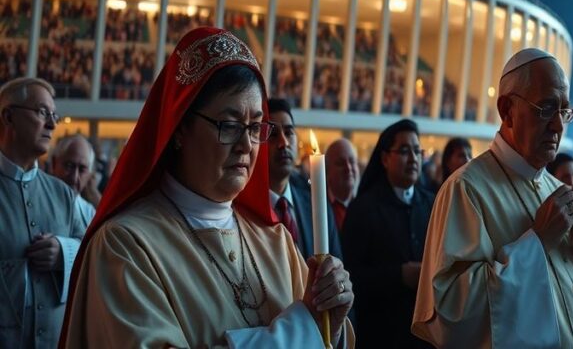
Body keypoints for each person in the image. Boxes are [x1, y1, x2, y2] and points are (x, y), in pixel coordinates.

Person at [61, 28, 354, 347]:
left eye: (255, 127)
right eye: (230, 125)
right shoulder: (125, 245)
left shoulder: (276, 242)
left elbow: (321, 332)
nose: (246, 145)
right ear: (179, 128)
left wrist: (332, 324)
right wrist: (304, 328)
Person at [412, 48, 573, 348]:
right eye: (546, 108)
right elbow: (451, 313)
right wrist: (537, 243)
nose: (558, 126)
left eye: (564, 111)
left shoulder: (556, 187)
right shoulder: (466, 189)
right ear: (507, 110)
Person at [0, 77, 85, 348]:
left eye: (53, 115)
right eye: (42, 112)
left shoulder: (64, 194)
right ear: (8, 117)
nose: (52, 124)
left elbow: (92, 251)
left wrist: (64, 251)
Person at [342, 118, 434, 348]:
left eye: (417, 151)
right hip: (381, 334)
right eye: (404, 151)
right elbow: (350, 276)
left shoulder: (433, 204)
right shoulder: (364, 208)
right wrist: (399, 275)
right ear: (384, 159)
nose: (413, 158)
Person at [266, 98, 343, 260]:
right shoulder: (243, 210)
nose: (283, 143)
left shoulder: (317, 203)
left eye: (289, 133)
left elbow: (337, 261)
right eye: (273, 135)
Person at [50, 134, 101, 226]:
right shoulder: (37, 202)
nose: (74, 177)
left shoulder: (89, 213)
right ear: (54, 164)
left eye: (82, 169)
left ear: (90, 174)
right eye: (69, 166)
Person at [325, 138, 359, 232]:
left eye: (352, 161)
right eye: (340, 163)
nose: (348, 168)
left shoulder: (368, 205)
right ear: (327, 171)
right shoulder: (316, 206)